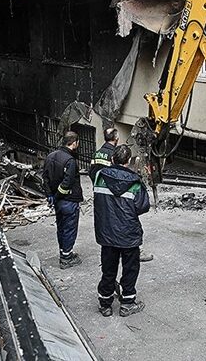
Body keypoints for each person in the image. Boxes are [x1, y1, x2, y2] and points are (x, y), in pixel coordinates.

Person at [94, 144, 150, 317]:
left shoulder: (99, 177)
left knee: (108, 269)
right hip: (128, 234)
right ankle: (127, 303)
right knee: (130, 269)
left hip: (107, 232)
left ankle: (105, 304)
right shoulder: (134, 182)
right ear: (128, 161)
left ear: (112, 159)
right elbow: (143, 207)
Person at [90, 127, 154, 262]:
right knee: (122, 220)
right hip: (118, 192)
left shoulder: (97, 154)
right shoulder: (115, 154)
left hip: (102, 191)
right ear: (116, 138)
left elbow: (92, 172)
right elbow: (142, 206)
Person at [43, 131, 84, 269]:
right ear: (74, 143)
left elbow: (45, 178)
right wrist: (58, 196)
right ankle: (66, 257)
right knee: (69, 228)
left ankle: (63, 252)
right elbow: (67, 183)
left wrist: (51, 196)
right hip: (68, 200)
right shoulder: (69, 161)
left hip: (57, 201)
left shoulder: (50, 156)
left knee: (61, 227)